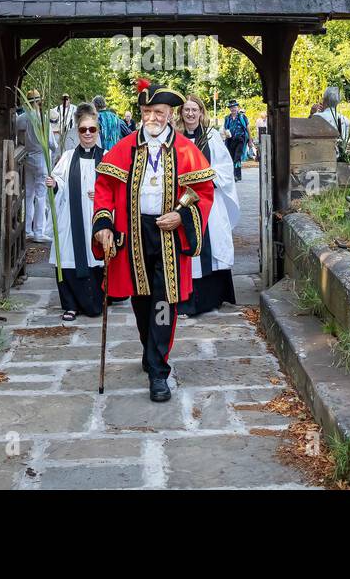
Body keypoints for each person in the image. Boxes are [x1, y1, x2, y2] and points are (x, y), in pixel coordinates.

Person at [92, 79, 215, 403]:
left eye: (159, 112)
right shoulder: (125, 146)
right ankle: (150, 349)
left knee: (164, 298)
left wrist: (180, 215)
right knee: (141, 297)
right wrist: (103, 224)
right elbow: (104, 187)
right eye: (147, 111)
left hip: (169, 235)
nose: (153, 118)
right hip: (133, 233)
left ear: (170, 113)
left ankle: (159, 371)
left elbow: (201, 192)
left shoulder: (186, 151)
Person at [175, 96, 239, 318]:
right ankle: (187, 301)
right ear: (181, 113)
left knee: (210, 245)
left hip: (209, 201)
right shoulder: (176, 138)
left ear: (201, 113)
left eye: (194, 110)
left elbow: (225, 167)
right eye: (186, 110)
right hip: (182, 203)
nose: (190, 114)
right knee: (187, 247)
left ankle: (212, 298)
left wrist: (206, 178)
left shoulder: (211, 137)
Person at [45, 103, 106, 322]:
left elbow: (117, 186)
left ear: (97, 131)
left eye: (92, 129)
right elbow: (59, 179)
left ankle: (94, 302)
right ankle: (69, 305)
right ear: (77, 131)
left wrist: (100, 194)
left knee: (94, 260)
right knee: (68, 256)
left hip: (95, 217)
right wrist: (54, 184)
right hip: (71, 217)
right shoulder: (68, 156)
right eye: (83, 130)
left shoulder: (106, 157)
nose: (88, 134)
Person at [16, 89, 51, 242]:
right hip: (40, 158)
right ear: (38, 102)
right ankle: (38, 232)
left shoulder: (21, 118)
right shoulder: (42, 119)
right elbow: (51, 143)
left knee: (29, 195)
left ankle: (27, 230)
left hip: (27, 157)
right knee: (41, 196)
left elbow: (16, 136)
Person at [314, 86, 350, 158]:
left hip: (321, 159)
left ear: (324, 100)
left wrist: (311, 114)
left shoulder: (317, 117)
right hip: (341, 159)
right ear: (337, 102)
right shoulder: (345, 120)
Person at [222, 100, 250, 181]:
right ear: (230, 109)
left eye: (234, 107)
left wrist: (250, 140)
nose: (233, 109)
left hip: (240, 140)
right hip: (230, 140)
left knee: (237, 158)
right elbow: (225, 128)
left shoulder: (242, 117)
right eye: (231, 107)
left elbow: (248, 128)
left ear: (237, 108)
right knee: (231, 158)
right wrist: (225, 134)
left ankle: (236, 175)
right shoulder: (227, 118)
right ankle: (235, 175)